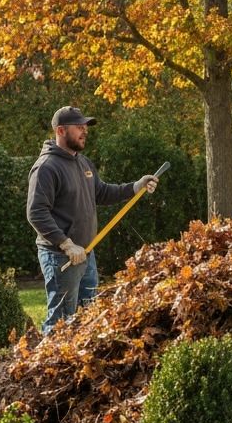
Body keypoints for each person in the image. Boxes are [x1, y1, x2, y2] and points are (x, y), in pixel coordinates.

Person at [27, 107, 159, 335]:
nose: (84, 131)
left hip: (87, 253)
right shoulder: (47, 167)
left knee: (89, 317)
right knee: (61, 321)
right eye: (79, 127)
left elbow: (102, 193)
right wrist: (66, 244)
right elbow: (36, 212)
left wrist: (136, 186)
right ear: (60, 130)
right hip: (62, 257)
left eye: (85, 126)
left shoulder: (83, 163)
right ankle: (49, 367)